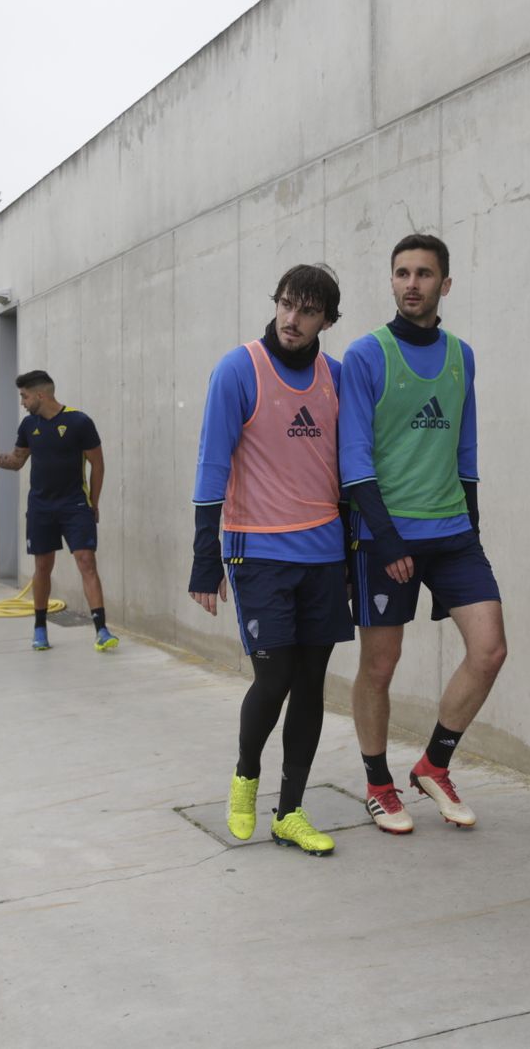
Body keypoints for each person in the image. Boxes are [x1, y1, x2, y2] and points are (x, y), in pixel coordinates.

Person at [338, 233, 506, 833]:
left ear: (446, 284)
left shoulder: (462, 355)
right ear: (391, 281)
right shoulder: (366, 354)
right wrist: (384, 538)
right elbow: (353, 457)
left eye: (425, 274)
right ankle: (379, 783)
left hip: (454, 531)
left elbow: (466, 448)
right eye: (403, 273)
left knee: (489, 651)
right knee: (380, 666)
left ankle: (434, 765)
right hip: (389, 534)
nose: (413, 283)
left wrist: (474, 525)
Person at [190, 264, 353, 858]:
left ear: (327, 321)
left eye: (308, 311)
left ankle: (290, 811)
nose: (292, 319)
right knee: (275, 677)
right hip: (256, 551)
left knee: (312, 684)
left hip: (325, 554)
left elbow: (354, 465)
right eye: (286, 304)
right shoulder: (240, 368)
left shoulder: (336, 378)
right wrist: (204, 560)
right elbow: (212, 465)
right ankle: (245, 776)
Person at [0, 371, 118, 652]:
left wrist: (94, 501)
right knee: (43, 566)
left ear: (40, 395)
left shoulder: (79, 421)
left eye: (24, 396)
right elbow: (15, 461)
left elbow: (98, 465)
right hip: (41, 507)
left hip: (75, 505)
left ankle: (101, 629)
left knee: (86, 561)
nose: (22, 402)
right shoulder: (29, 425)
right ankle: (40, 628)